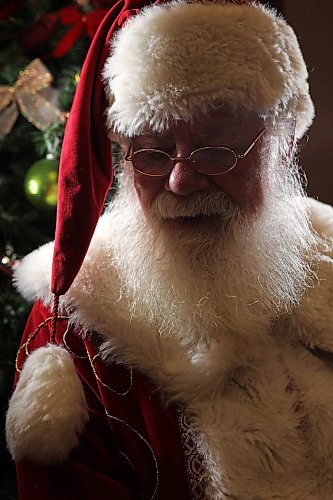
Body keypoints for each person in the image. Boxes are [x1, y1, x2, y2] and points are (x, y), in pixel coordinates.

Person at [6, 0, 333, 498]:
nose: (181, 181)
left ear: (281, 144)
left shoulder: (328, 260)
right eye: (153, 151)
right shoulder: (72, 329)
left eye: (217, 147)